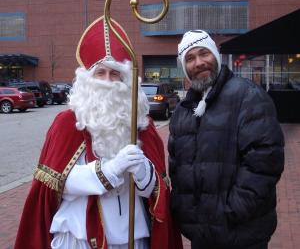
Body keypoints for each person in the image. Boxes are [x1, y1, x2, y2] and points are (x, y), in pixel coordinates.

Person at [14, 16, 183, 249]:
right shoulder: (67, 122)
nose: (107, 81)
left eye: (115, 75)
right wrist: (109, 170)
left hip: (133, 238)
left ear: (127, 81)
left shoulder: (142, 126)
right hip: (79, 236)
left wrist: (145, 174)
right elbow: (56, 184)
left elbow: (157, 193)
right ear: (86, 80)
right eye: (100, 73)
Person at [168, 30, 284, 249]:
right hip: (201, 235)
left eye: (204, 54)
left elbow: (265, 163)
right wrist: (183, 211)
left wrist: (228, 212)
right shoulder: (183, 112)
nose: (199, 63)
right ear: (184, 68)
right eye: (190, 59)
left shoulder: (248, 96)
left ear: (216, 55)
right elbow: (177, 169)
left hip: (243, 234)